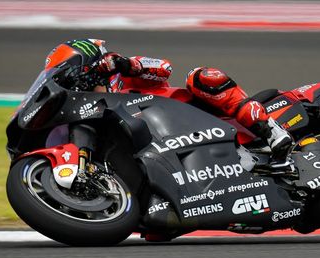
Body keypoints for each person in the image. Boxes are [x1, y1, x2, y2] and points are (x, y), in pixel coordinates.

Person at [51, 39, 294, 169]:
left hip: (207, 120)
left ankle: (270, 130)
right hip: (179, 160)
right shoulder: (97, 120)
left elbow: (164, 68)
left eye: (86, 83)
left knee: (201, 76)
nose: (86, 91)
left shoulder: (127, 78)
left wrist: (124, 64)